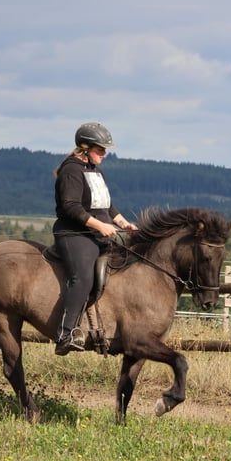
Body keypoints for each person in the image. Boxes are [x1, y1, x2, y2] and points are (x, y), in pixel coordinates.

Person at [52, 122, 137, 355]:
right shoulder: (71, 170)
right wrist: (100, 225)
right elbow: (71, 207)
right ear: (85, 147)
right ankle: (65, 333)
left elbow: (106, 206)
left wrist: (123, 224)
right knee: (83, 277)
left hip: (96, 232)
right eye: (100, 149)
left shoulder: (96, 171)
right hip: (74, 233)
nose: (105, 154)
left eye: (105, 150)